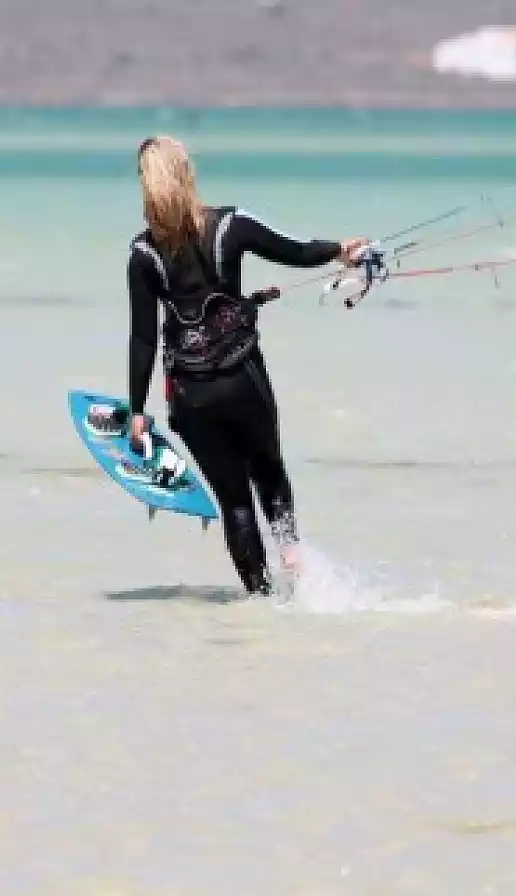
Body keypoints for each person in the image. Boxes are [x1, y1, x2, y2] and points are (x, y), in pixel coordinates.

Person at [125, 134, 367, 596]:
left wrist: (137, 412)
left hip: (190, 397)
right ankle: (294, 560)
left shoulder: (143, 254)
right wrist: (341, 250)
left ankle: (260, 601)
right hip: (242, 380)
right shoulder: (230, 225)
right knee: (269, 471)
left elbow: (143, 337)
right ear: (187, 174)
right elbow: (295, 252)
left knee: (235, 503)